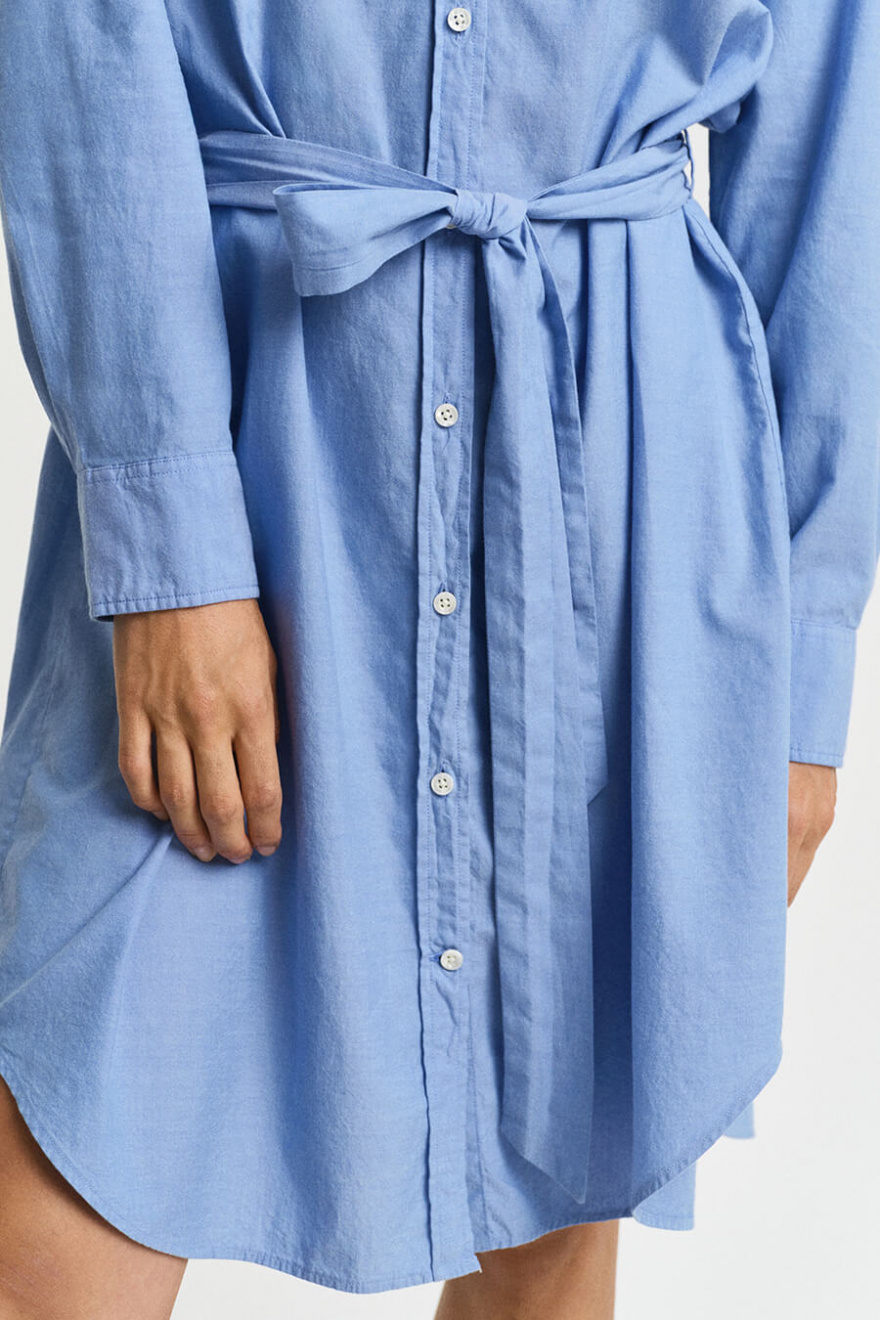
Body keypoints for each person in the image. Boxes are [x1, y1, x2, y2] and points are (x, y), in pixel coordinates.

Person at [0, 1, 876, 1317]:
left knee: (549, 1195)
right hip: (246, 429)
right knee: (58, 1209)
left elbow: (832, 130)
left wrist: (801, 672)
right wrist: (171, 545)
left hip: (608, 444)